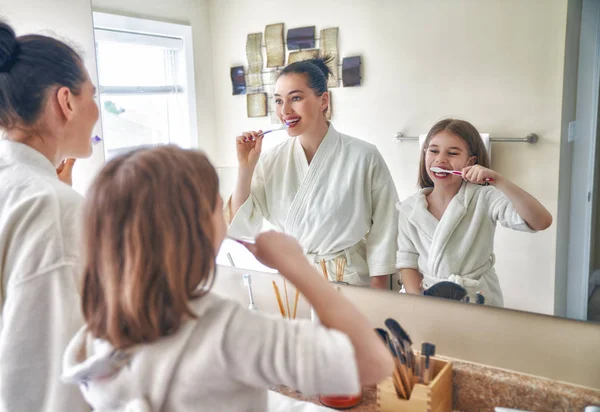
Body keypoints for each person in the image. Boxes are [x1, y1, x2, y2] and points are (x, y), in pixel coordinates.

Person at [61, 146, 393, 411]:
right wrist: (299, 268)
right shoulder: (229, 333)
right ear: (196, 231)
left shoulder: (98, 335)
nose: (223, 208)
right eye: (215, 203)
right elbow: (372, 363)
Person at [227, 57, 398, 289]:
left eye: (295, 98)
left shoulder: (363, 156)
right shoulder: (271, 161)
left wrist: (380, 295)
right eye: (278, 101)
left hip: (350, 282)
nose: (285, 110)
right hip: (295, 283)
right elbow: (243, 226)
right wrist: (246, 169)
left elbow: (386, 228)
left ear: (323, 100)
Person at [0, 21, 98, 411]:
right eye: (93, 95)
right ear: (66, 101)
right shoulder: (50, 205)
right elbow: (49, 385)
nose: (97, 112)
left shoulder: (26, 190)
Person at [396, 118, 552, 306]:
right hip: (430, 300)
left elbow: (541, 221)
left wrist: (500, 181)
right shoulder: (409, 209)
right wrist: (420, 302)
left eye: (452, 153)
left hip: (478, 298)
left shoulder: (485, 198)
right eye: (433, 150)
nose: (440, 159)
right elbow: (407, 262)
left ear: (470, 162)